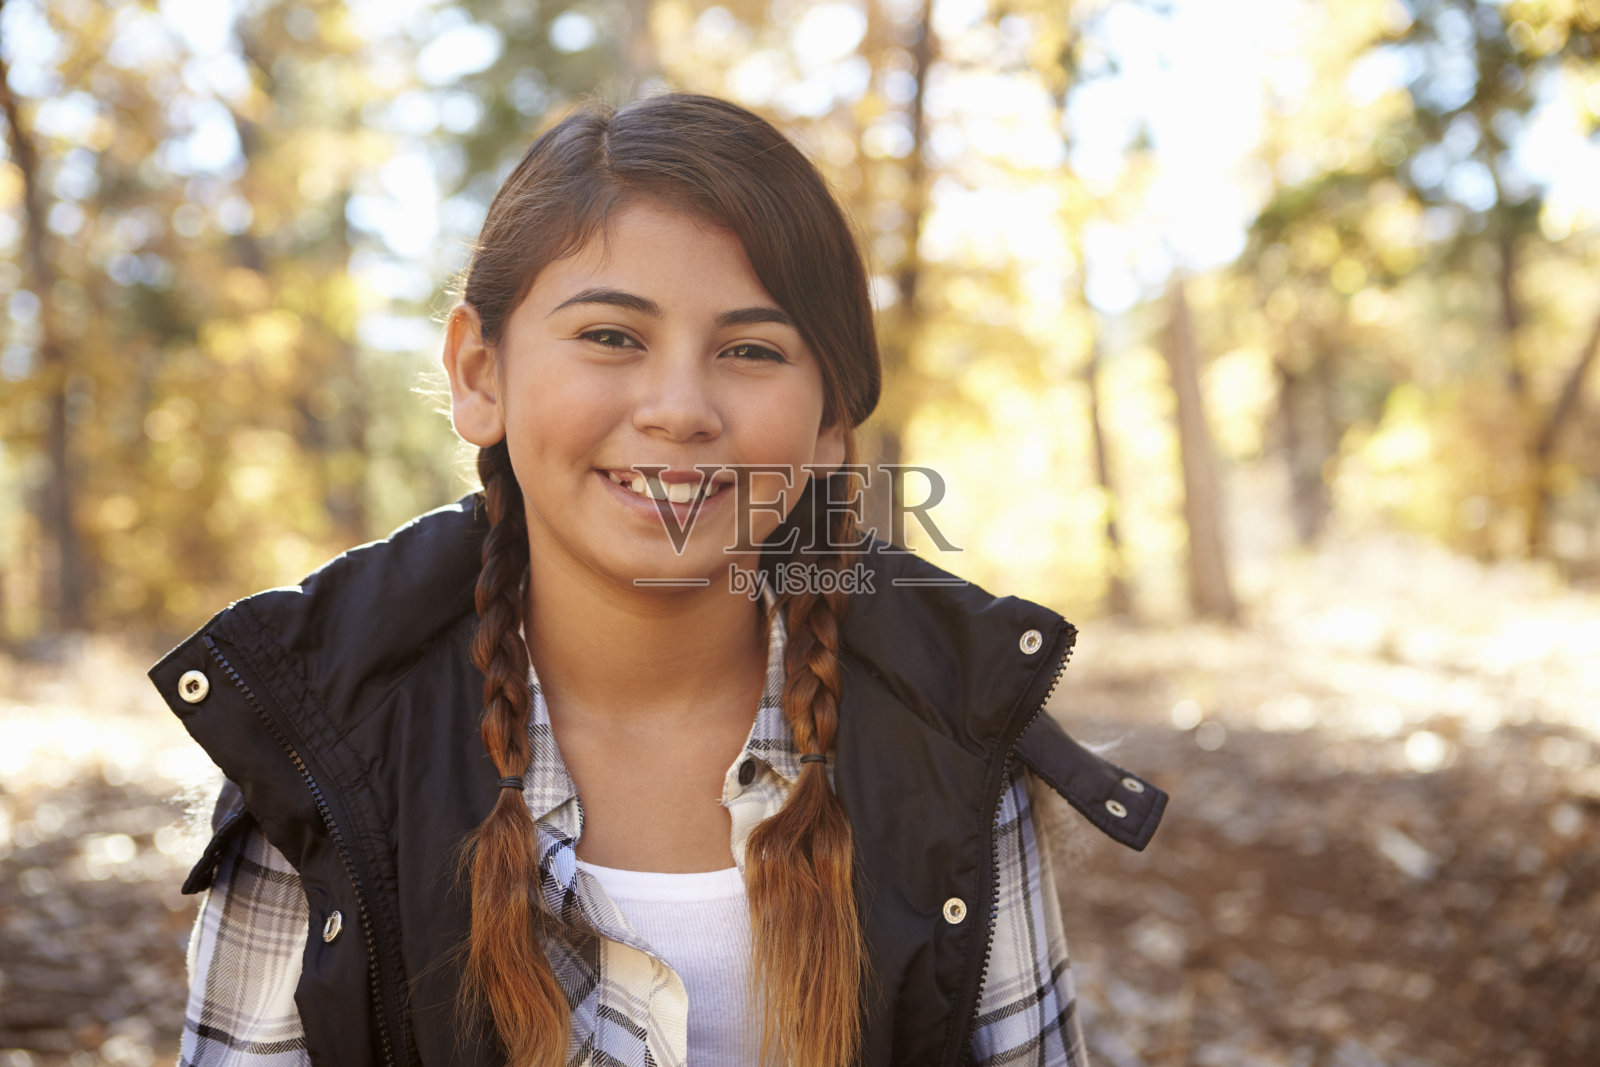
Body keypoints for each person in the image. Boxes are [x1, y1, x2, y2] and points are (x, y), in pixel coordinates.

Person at [151, 92, 1166, 1067]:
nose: (679, 407)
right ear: (479, 373)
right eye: (611, 335)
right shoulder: (321, 735)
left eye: (751, 348)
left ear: (824, 433)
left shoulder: (952, 722)